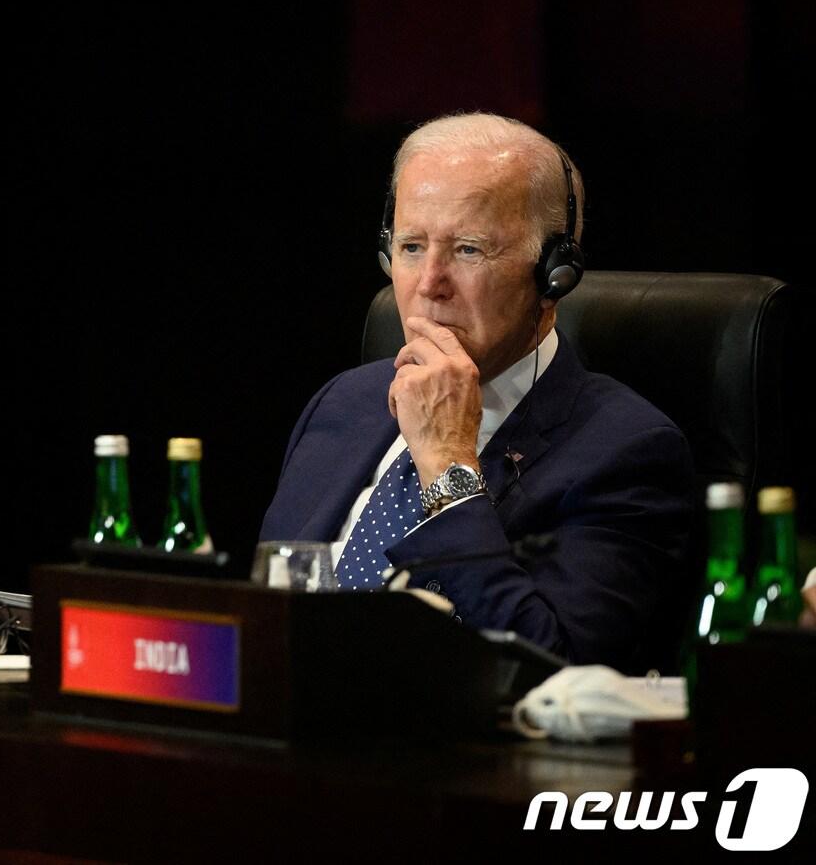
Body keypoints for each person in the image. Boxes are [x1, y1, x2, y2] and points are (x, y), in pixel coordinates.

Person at [259, 112, 694, 670]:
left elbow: (549, 667)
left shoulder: (626, 452)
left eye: (468, 250)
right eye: (412, 247)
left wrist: (446, 464)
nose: (428, 284)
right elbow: (266, 618)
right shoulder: (344, 404)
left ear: (555, 273)